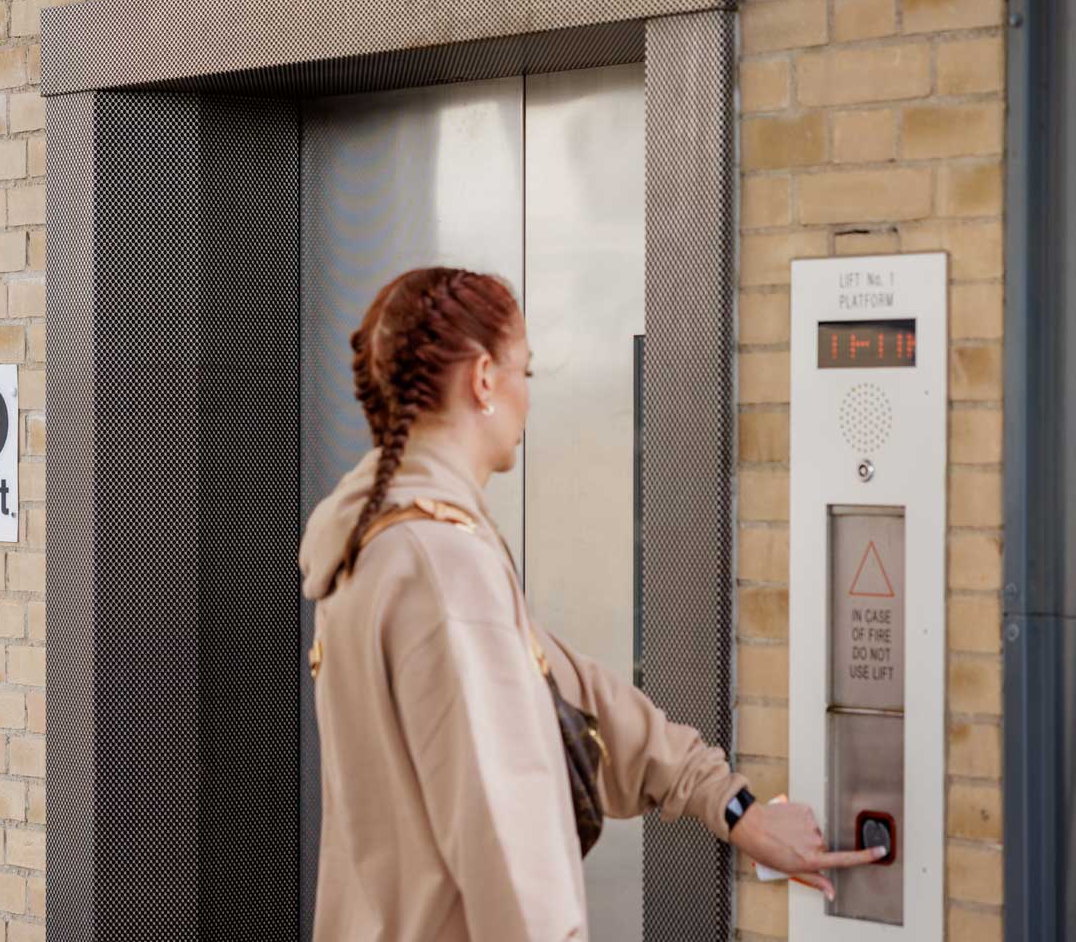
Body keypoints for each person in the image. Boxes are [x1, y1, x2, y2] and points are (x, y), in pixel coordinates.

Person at [300, 267, 885, 940]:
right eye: (526, 371)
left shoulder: (378, 545)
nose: (528, 397)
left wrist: (729, 804)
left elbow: (570, 692)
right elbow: (510, 843)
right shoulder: (442, 566)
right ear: (484, 378)